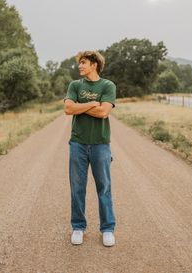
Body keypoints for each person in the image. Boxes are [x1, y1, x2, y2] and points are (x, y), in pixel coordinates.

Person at [64, 50, 116, 247]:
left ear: (94, 64)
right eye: (79, 63)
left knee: (104, 188)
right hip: (77, 143)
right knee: (77, 187)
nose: (79, 66)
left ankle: (108, 229)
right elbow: (68, 109)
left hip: (101, 144)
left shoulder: (107, 85)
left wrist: (81, 105)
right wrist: (93, 102)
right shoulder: (75, 85)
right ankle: (78, 227)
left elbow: (104, 112)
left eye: (83, 62)